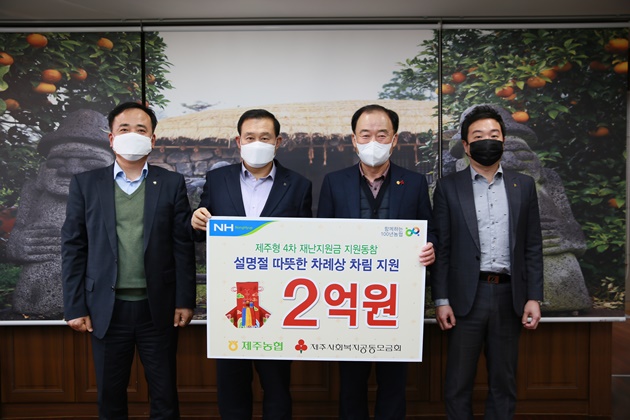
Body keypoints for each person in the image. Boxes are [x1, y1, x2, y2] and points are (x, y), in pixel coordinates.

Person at [61, 102, 197, 419]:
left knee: (164, 395)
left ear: (152, 139)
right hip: (106, 310)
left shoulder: (171, 183)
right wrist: (74, 306)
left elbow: (182, 245)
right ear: (111, 138)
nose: (132, 134)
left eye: (141, 129)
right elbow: (73, 247)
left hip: (158, 308)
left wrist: (184, 300)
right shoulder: (85, 183)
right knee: (110, 397)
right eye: (124, 129)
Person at [191, 108, 312, 420]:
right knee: (232, 385)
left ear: (278, 142)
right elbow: (201, 231)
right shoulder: (218, 180)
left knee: (277, 385)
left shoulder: (299, 185)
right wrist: (196, 220)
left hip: (279, 300)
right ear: (238, 141)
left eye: (265, 137)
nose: (257, 143)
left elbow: (306, 243)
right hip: (231, 298)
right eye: (250, 137)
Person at [317, 104, 435, 420]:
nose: (373, 142)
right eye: (365, 134)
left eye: (381, 135)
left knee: (393, 384)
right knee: (351, 384)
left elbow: (430, 231)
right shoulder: (334, 182)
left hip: (397, 302)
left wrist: (431, 248)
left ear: (394, 140)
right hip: (347, 302)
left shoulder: (414, 182)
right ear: (353, 140)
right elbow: (321, 237)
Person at [431, 104, 544, 419]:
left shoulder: (523, 186)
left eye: (494, 135)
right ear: (466, 146)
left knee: (504, 382)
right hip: (466, 298)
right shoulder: (448, 187)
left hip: (510, 296)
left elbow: (532, 246)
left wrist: (534, 297)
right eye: (478, 136)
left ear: (504, 141)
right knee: (457, 383)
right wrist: (441, 299)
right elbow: (442, 248)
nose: (487, 141)